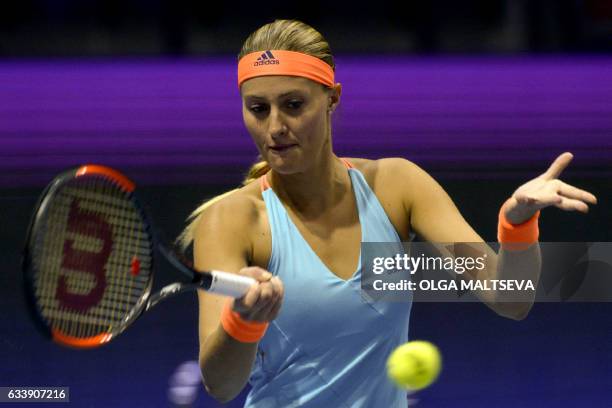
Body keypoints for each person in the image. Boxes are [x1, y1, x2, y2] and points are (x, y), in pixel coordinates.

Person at [178, 19, 598, 407]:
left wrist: (517, 224)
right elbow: (222, 384)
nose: (274, 127)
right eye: (258, 109)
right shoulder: (231, 220)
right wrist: (244, 321)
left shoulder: (397, 187)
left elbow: (511, 298)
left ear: (332, 99)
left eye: (292, 104)